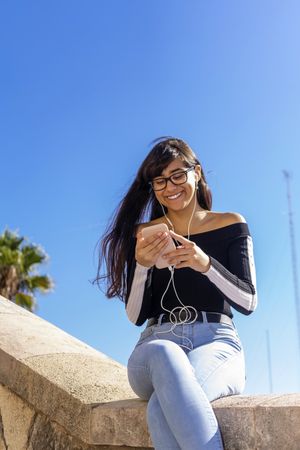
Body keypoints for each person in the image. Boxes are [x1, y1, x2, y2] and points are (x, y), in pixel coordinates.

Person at [96, 137, 257, 450]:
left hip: (217, 342)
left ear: (196, 172)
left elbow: (248, 301)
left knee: (160, 408)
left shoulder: (231, 224)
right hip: (154, 347)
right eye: (160, 180)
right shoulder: (145, 235)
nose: (170, 186)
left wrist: (205, 264)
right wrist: (142, 265)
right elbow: (135, 316)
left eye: (177, 175)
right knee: (164, 351)